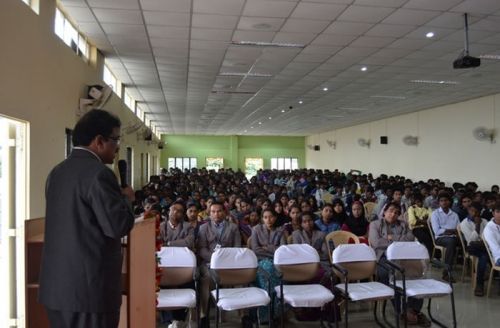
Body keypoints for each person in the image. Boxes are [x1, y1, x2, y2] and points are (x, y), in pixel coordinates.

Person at [39, 109, 135, 328]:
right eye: (115, 140)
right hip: (90, 289)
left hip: (57, 289)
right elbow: (117, 226)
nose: (117, 146)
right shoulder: (99, 173)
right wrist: (128, 200)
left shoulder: (57, 172)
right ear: (99, 141)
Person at [368, 203, 430, 327]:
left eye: (396, 212)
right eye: (391, 211)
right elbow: (376, 242)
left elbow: (410, 238)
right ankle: (399, 309)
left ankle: (412, 309)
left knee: (416, 274)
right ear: (384, 212)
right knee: (389, 274)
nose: (393, 214)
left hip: (403, 257)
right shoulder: (375, 224)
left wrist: (391, 238)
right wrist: (399, 240)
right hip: (384, 258)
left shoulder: (403, 224)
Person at [197, 201, 241, 327]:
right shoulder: (203, 228)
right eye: (213, 211)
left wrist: (224, 260)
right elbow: (202, 249)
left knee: (242, 278)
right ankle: (203, 315)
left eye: (219, 211)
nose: (216, 214)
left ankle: (244, 316)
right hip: (209, 263)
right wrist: (215, 259)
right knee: (206, 279)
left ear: (225, 212)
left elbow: (236, 248)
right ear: (209, 213)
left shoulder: (233, 227)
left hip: (228, 263)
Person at [459, 202, 489, 296]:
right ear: (468, 211)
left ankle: (489, 274)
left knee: (487, 253)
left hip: (485, 246)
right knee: (483, 256)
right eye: (472, 211)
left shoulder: (485, 221)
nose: (474, 214)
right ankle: (479, 284)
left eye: (477, 212)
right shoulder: (464, 223)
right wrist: (477, 225)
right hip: (472, 247)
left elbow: (488, 236)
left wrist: (483, 241)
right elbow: (471, 240)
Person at [430, 193, 460, 282]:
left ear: (450, 202)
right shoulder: (435, 214)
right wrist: (451, 231)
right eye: (441, 201)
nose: (444, 202)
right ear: (439, 203)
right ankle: (446, 272)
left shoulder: (454, 214)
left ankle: (472, 269)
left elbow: (458, 229)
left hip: (454, 237)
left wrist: (453, 231)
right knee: (451, 242)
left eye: (446, 200)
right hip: (440, 238)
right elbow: (437, 231)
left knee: (467, 242)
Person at [483, 202, 500, 267]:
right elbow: (495, 248)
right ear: (493, 213)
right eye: (498, 212)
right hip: (498, 257)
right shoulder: (489, 229)